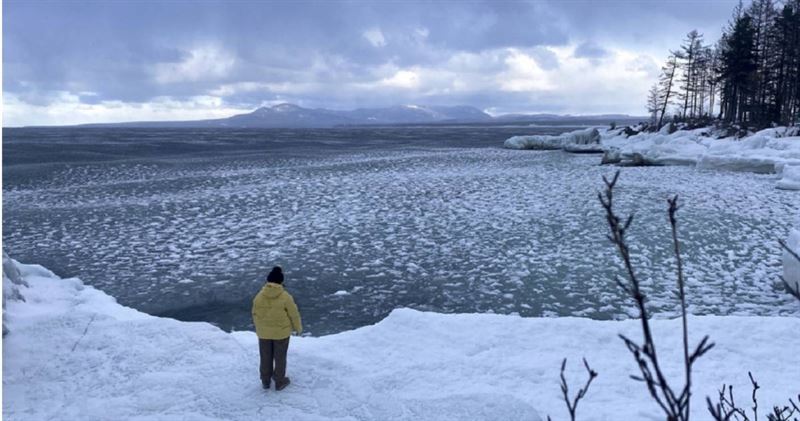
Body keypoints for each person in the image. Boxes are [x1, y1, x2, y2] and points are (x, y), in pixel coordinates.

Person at [251, 266, 302, 391]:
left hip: (264, 334)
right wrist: (298, 328)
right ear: (281, 281)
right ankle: (279, 381)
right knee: (280, 357)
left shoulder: (259, 296)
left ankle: (265, 381)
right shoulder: (285, 296)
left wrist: (260, 328)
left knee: (265, 356)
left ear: (268, 281)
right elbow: (294, 314)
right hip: (281, 333)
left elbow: (254, 313)